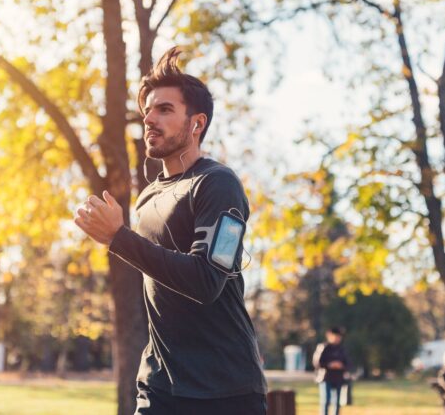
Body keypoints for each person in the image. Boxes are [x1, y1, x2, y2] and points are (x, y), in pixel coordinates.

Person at [74, 47, 268, 414]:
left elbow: (206, 281)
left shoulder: (218, 185)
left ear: (197, 123)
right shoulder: (147, 198)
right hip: (160, 388)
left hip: (224, 393)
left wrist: (119, 237)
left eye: (164, 109)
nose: (149, 118)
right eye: (147, 110)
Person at [313, 327, 349, 415]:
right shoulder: (324, 347)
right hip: (326, 377)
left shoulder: (342, 349)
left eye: (339, 337)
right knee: (326, 401)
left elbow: (348, 363)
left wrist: (341, 366)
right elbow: (317, 362)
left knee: (337, 402)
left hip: (338, 378)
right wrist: (330, 365)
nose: (337, 339)